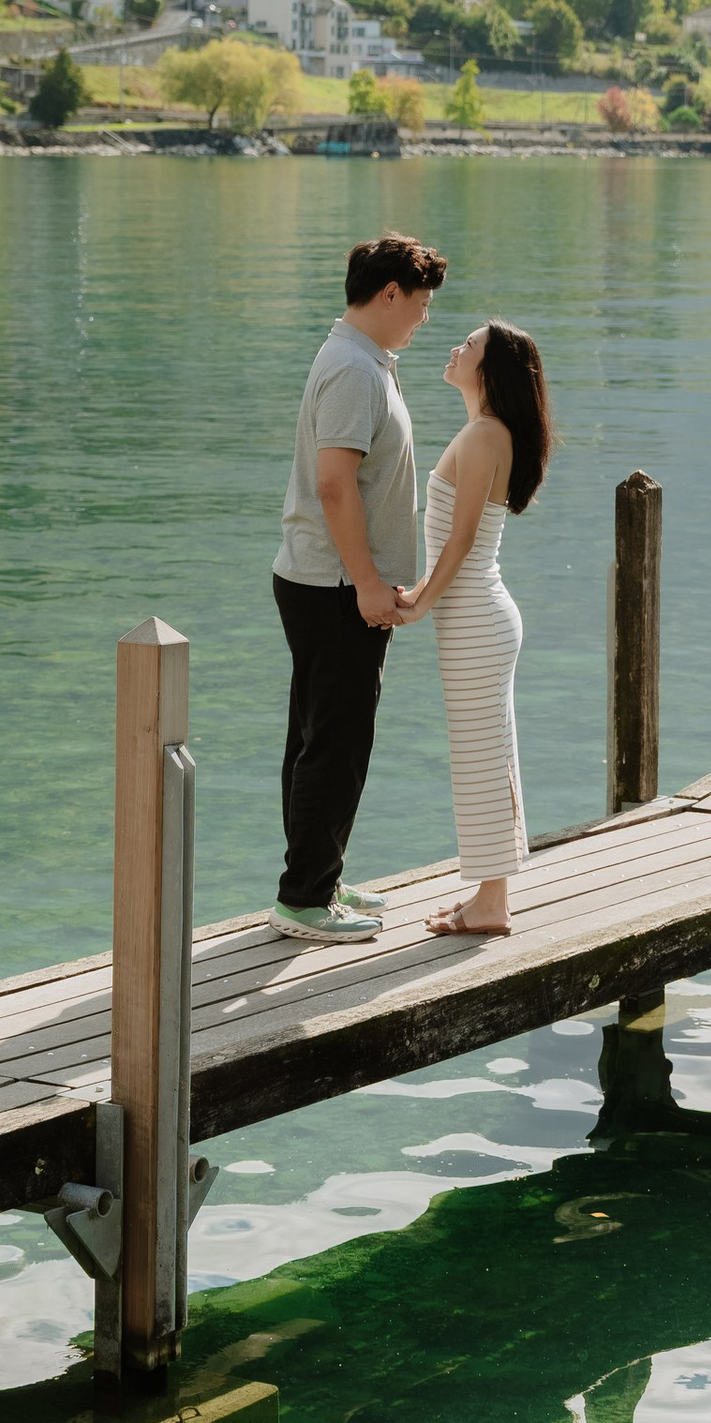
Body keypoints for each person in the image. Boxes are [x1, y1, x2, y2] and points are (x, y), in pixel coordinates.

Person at [271, 234, 449, 942]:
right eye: (422, 303)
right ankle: (305, 900)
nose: (425, 318)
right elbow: (334, 484)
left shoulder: (364, 360)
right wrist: (369, 583)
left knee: (320, 736)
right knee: (336, 744)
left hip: (327, 579)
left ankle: (318, 876)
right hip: (336, 583)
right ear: (390, 294)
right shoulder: (353, 369)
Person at [397, 319, 553, 935]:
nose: (455, 349)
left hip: (475, 619)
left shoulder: (487, 435)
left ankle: (491, 903)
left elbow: (461, 542)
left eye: (469, 345)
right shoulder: (484, 431)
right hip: (475, 618)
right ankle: (491, 898)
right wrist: (425, 597)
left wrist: (419, 603)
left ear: (491, 370)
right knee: (486, 755)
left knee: (482, 759)